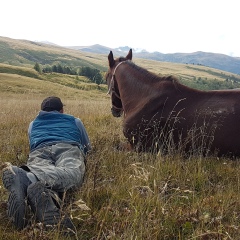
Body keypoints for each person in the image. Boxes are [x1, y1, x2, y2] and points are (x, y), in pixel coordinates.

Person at [2, 96, 91, 235]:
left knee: (41, 171)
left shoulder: (33, 124)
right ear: (62, 110)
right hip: (67, 147)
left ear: (41, 111)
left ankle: (41, 191)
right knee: (72, 174)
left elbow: (32, 144)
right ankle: (27, 178)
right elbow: (87, 146)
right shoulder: (75, 121)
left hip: (40, 150)